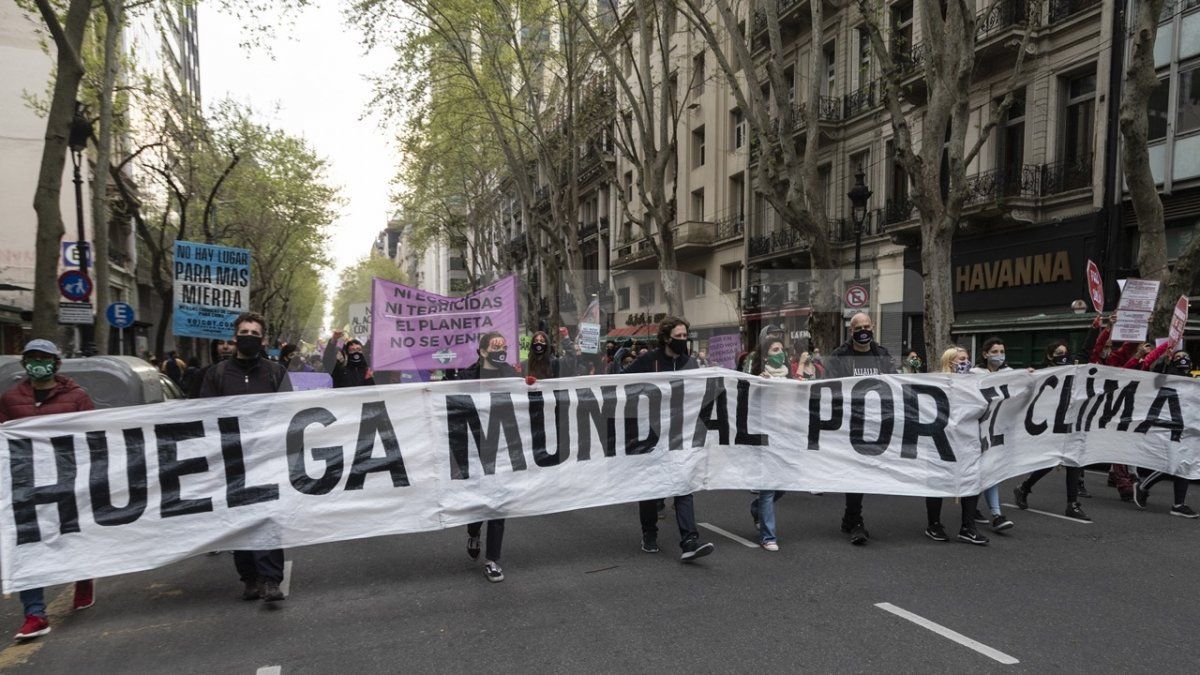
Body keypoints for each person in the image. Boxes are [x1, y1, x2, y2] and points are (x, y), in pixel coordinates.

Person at [0, 340, 97, 640]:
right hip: (26, 483)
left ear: (56, 363)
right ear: (24, 364)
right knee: (27, 543)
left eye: (44, 358)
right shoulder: (10, 399)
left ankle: (83, 575)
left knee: (72, 535)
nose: (38, 363)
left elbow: (94, 435)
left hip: (68, 480)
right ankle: (34, 614)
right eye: (32, 358)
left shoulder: (77, 397)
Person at [198, 312, 293, 602]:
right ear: (235, 336)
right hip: (231, 458)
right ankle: (250, 578)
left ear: (263, 340)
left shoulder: (276, 373)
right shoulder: (216, 374)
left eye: (254, 333)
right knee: (240, 517)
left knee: (267, 516)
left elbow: (288, 411)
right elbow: (205, 416)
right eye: (244, 332)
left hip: (267, 457)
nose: (249, 337)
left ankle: (271, 579)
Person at [624, 316, 716, 562]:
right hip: (650, 434)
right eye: (678, 337)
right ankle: (649, 533)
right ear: (666, 338)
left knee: (683, 484)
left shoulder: (690, 363)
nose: (683, 340)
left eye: (685, 336)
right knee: (650, 485)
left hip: (679, 434)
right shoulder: (649, 360)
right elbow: (620, 381)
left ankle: (689, 541)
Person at [823, 312, 896, 545]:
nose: (863, 331)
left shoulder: (881, 355)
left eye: (866, 326)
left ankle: (849, 517)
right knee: (855, 470)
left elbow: (895, 383)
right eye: (858, 328)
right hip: (849, 422)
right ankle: (856, 522)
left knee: (862, 470)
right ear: (851, 331)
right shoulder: (840, 356)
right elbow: (828, 385)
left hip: (876, 422)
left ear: (873, 327)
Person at [458, 331, 520, 581]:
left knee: (498, 504)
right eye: (495, 347)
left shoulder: (511, 375)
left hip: (502, 447)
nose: (500, 351)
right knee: (478, 502)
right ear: (483, 351)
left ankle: (492, 560)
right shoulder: (467, 377)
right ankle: (474, 532)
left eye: (503, 347)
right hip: (476, 448)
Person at [1012, 337, 1096, 521]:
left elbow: (1086, 350)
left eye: (1065, 352)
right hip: (1049, 425)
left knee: (1073, 461)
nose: (1063, 356)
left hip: (1070, 422)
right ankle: (1024, 487)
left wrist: (1097, 329)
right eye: (1059, 353)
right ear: (1050, 356)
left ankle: (1072, 504)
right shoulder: (1042, 374)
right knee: (1050, 462)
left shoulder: (1074, 370)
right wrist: (1027, 376)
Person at [924, 347, 993, 544]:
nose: (966, 363)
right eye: (961, 359)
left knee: (971, 479)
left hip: (967, 440)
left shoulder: (975, 383)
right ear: (949, 362)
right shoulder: (936, 382)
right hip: (941, 440)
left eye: (967, 359)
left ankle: (968, 527)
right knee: (937, 481)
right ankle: (934, 524)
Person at [1132, 347, 1197, 517]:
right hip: (1168, 427)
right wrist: (1163, 360)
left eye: (1185, 356)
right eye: (1179, 356)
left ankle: (1178, 504)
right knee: (1174, 465)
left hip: (1187, 429)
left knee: (1184, 464)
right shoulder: (1165, 377)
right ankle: (1143, 486)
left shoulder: (1193, 382)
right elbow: (1153, 378)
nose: (1183, 358)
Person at [749, 336, 790, 550]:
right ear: (765, 356)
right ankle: (768, 536)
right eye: (775, 349)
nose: (780, 353)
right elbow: (747, 402)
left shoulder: (788, 376)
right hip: (765, 437)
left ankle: (756, 508)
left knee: (783, 485)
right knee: (768, 487)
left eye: (782, 349)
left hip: (786, 436)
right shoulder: (759, 378)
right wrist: (758, 384)